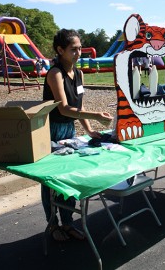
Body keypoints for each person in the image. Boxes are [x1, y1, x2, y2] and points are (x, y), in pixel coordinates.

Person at [42, 29, 114, 242]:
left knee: (68, 177)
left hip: (69, 131)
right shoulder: (55, 74)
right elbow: (64, 108)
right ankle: (52, 225)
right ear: (60, 50)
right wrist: (96, 115)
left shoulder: (79, 74)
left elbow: (77, 106)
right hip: (51, 131)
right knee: (50, 181)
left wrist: (89, 129)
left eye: (80, 48)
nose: (78, 53)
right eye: (73, 49)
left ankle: (68, 223)